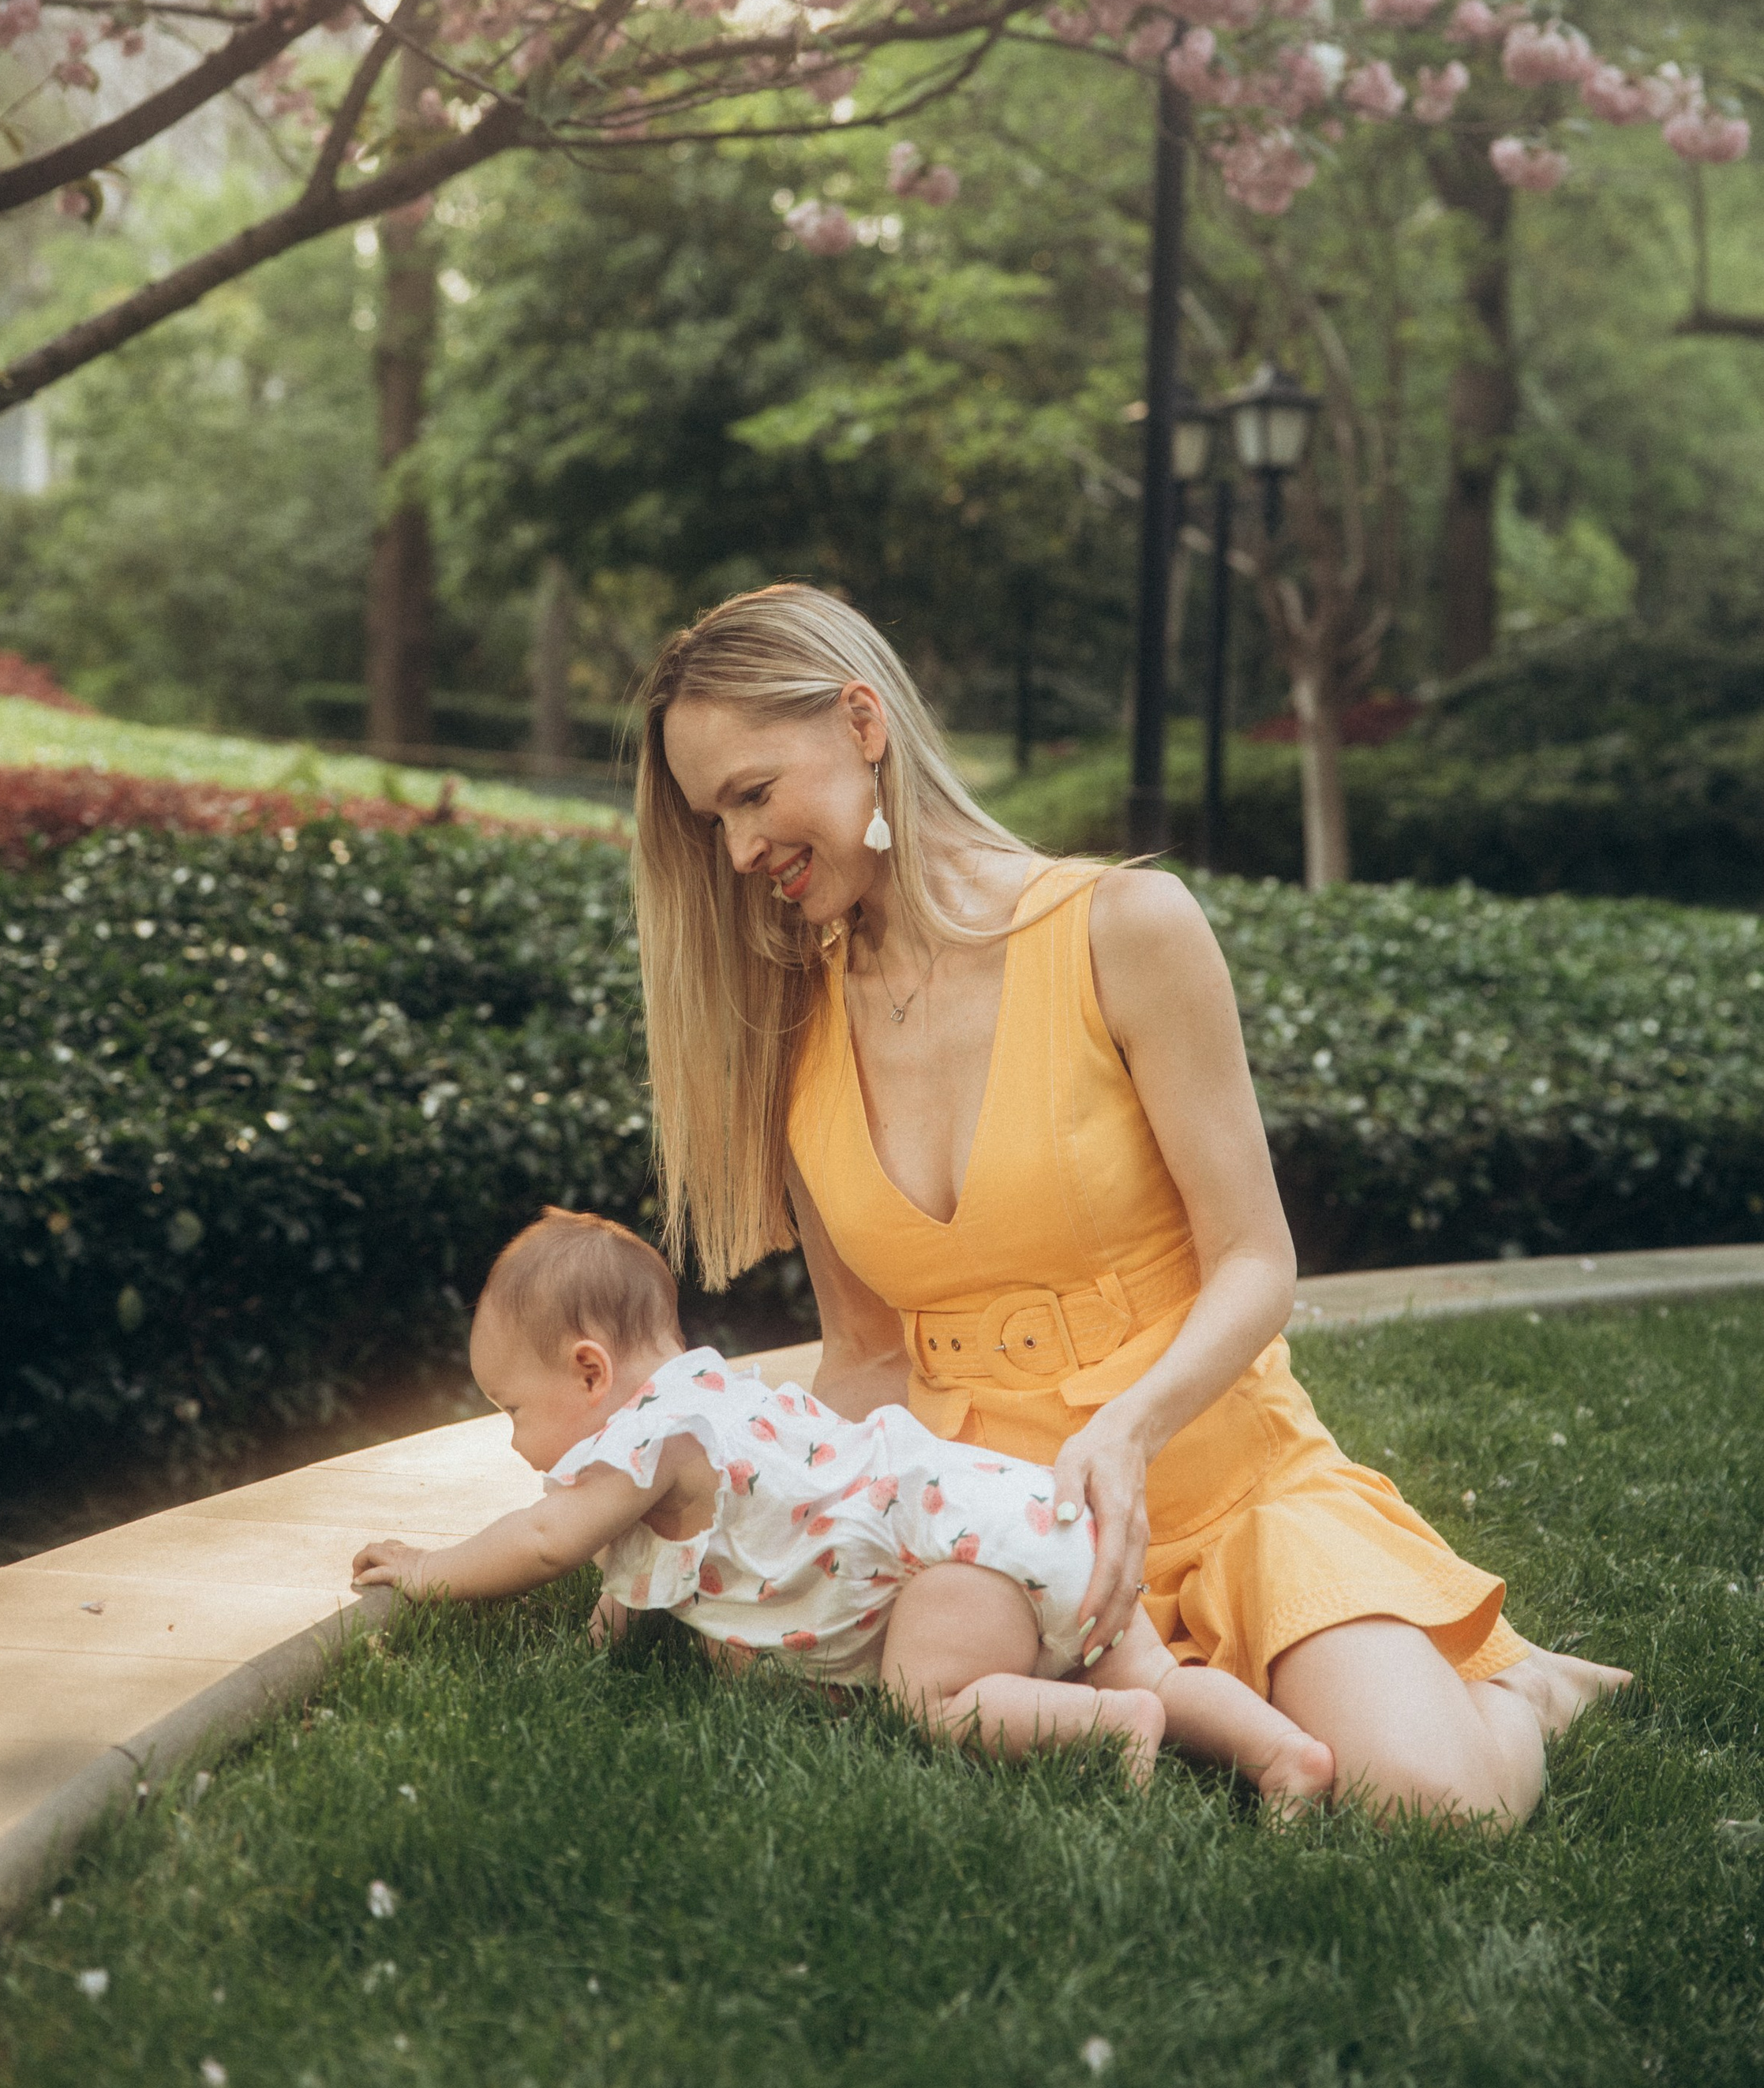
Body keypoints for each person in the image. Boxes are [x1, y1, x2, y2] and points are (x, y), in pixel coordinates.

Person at [630, 583, 1630, 1824]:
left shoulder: (1125, 927)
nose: (735, 852)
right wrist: (723, 1513)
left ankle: (1520, 1692)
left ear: (861, 722)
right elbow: (868, 1355)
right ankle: (1220, 1684)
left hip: (1213, 1479)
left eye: (752, 794)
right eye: (710, 819)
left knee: (1436, 1805)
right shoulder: (789, 1023)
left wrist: (1133, 1428)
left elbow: (1258, 1263)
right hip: (997, 1544)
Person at [354, 1209, 1336, 1802]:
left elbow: (542, 1542)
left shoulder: (647, 1442)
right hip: (1022, 1516)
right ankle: (1282, 1754)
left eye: (511, 1409)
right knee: (1158, 1670)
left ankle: (1109, 1726)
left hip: (950, 1572)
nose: (513, 1439)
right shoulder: (710, 1397)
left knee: (935, 1699)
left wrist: (431, 1570)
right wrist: (606, 1637)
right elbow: (634, 1571)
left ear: (588, 1372)